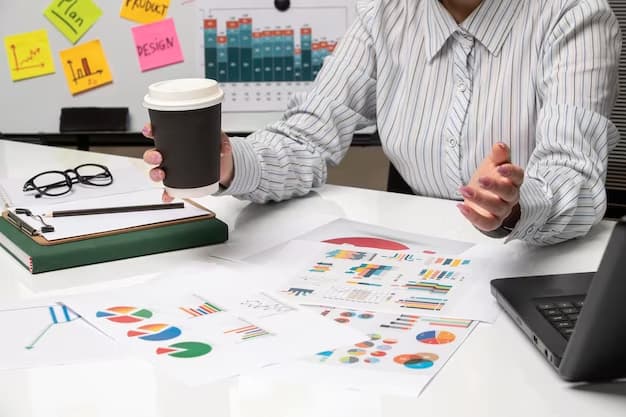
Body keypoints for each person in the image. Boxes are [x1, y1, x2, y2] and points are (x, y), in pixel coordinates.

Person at [144, 0, 621, 246]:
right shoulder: (385, 16)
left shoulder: (575, 15)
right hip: (424, 259)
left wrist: (513, 207)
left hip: (532, 259)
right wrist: (230, 161)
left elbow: (573, 174)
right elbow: (306, 137)